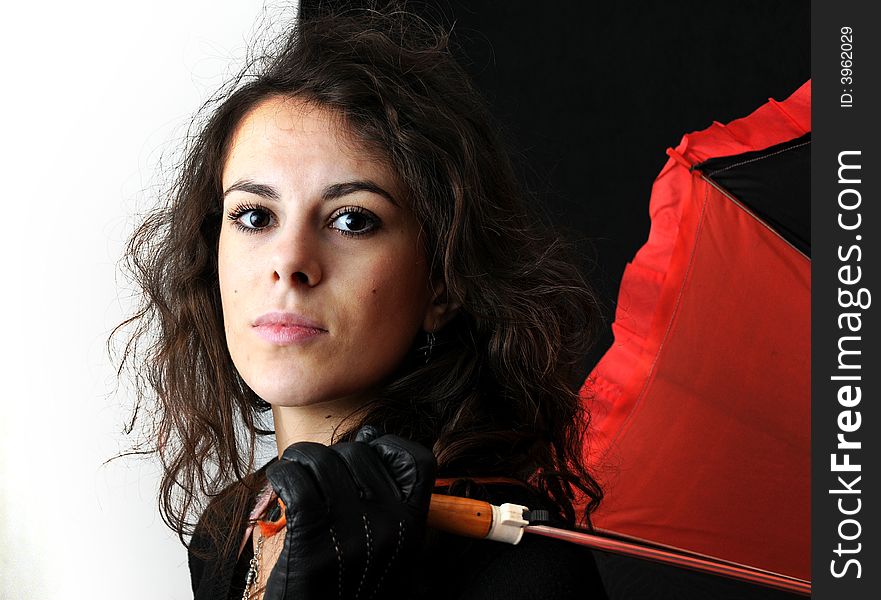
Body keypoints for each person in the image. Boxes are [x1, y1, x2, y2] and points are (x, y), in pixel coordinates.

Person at [115, 4, 607, 599]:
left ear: (443, 284)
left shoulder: (516, 560)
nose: (289, 261)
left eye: (352, 219)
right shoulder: (231, 529)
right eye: (253, 215)